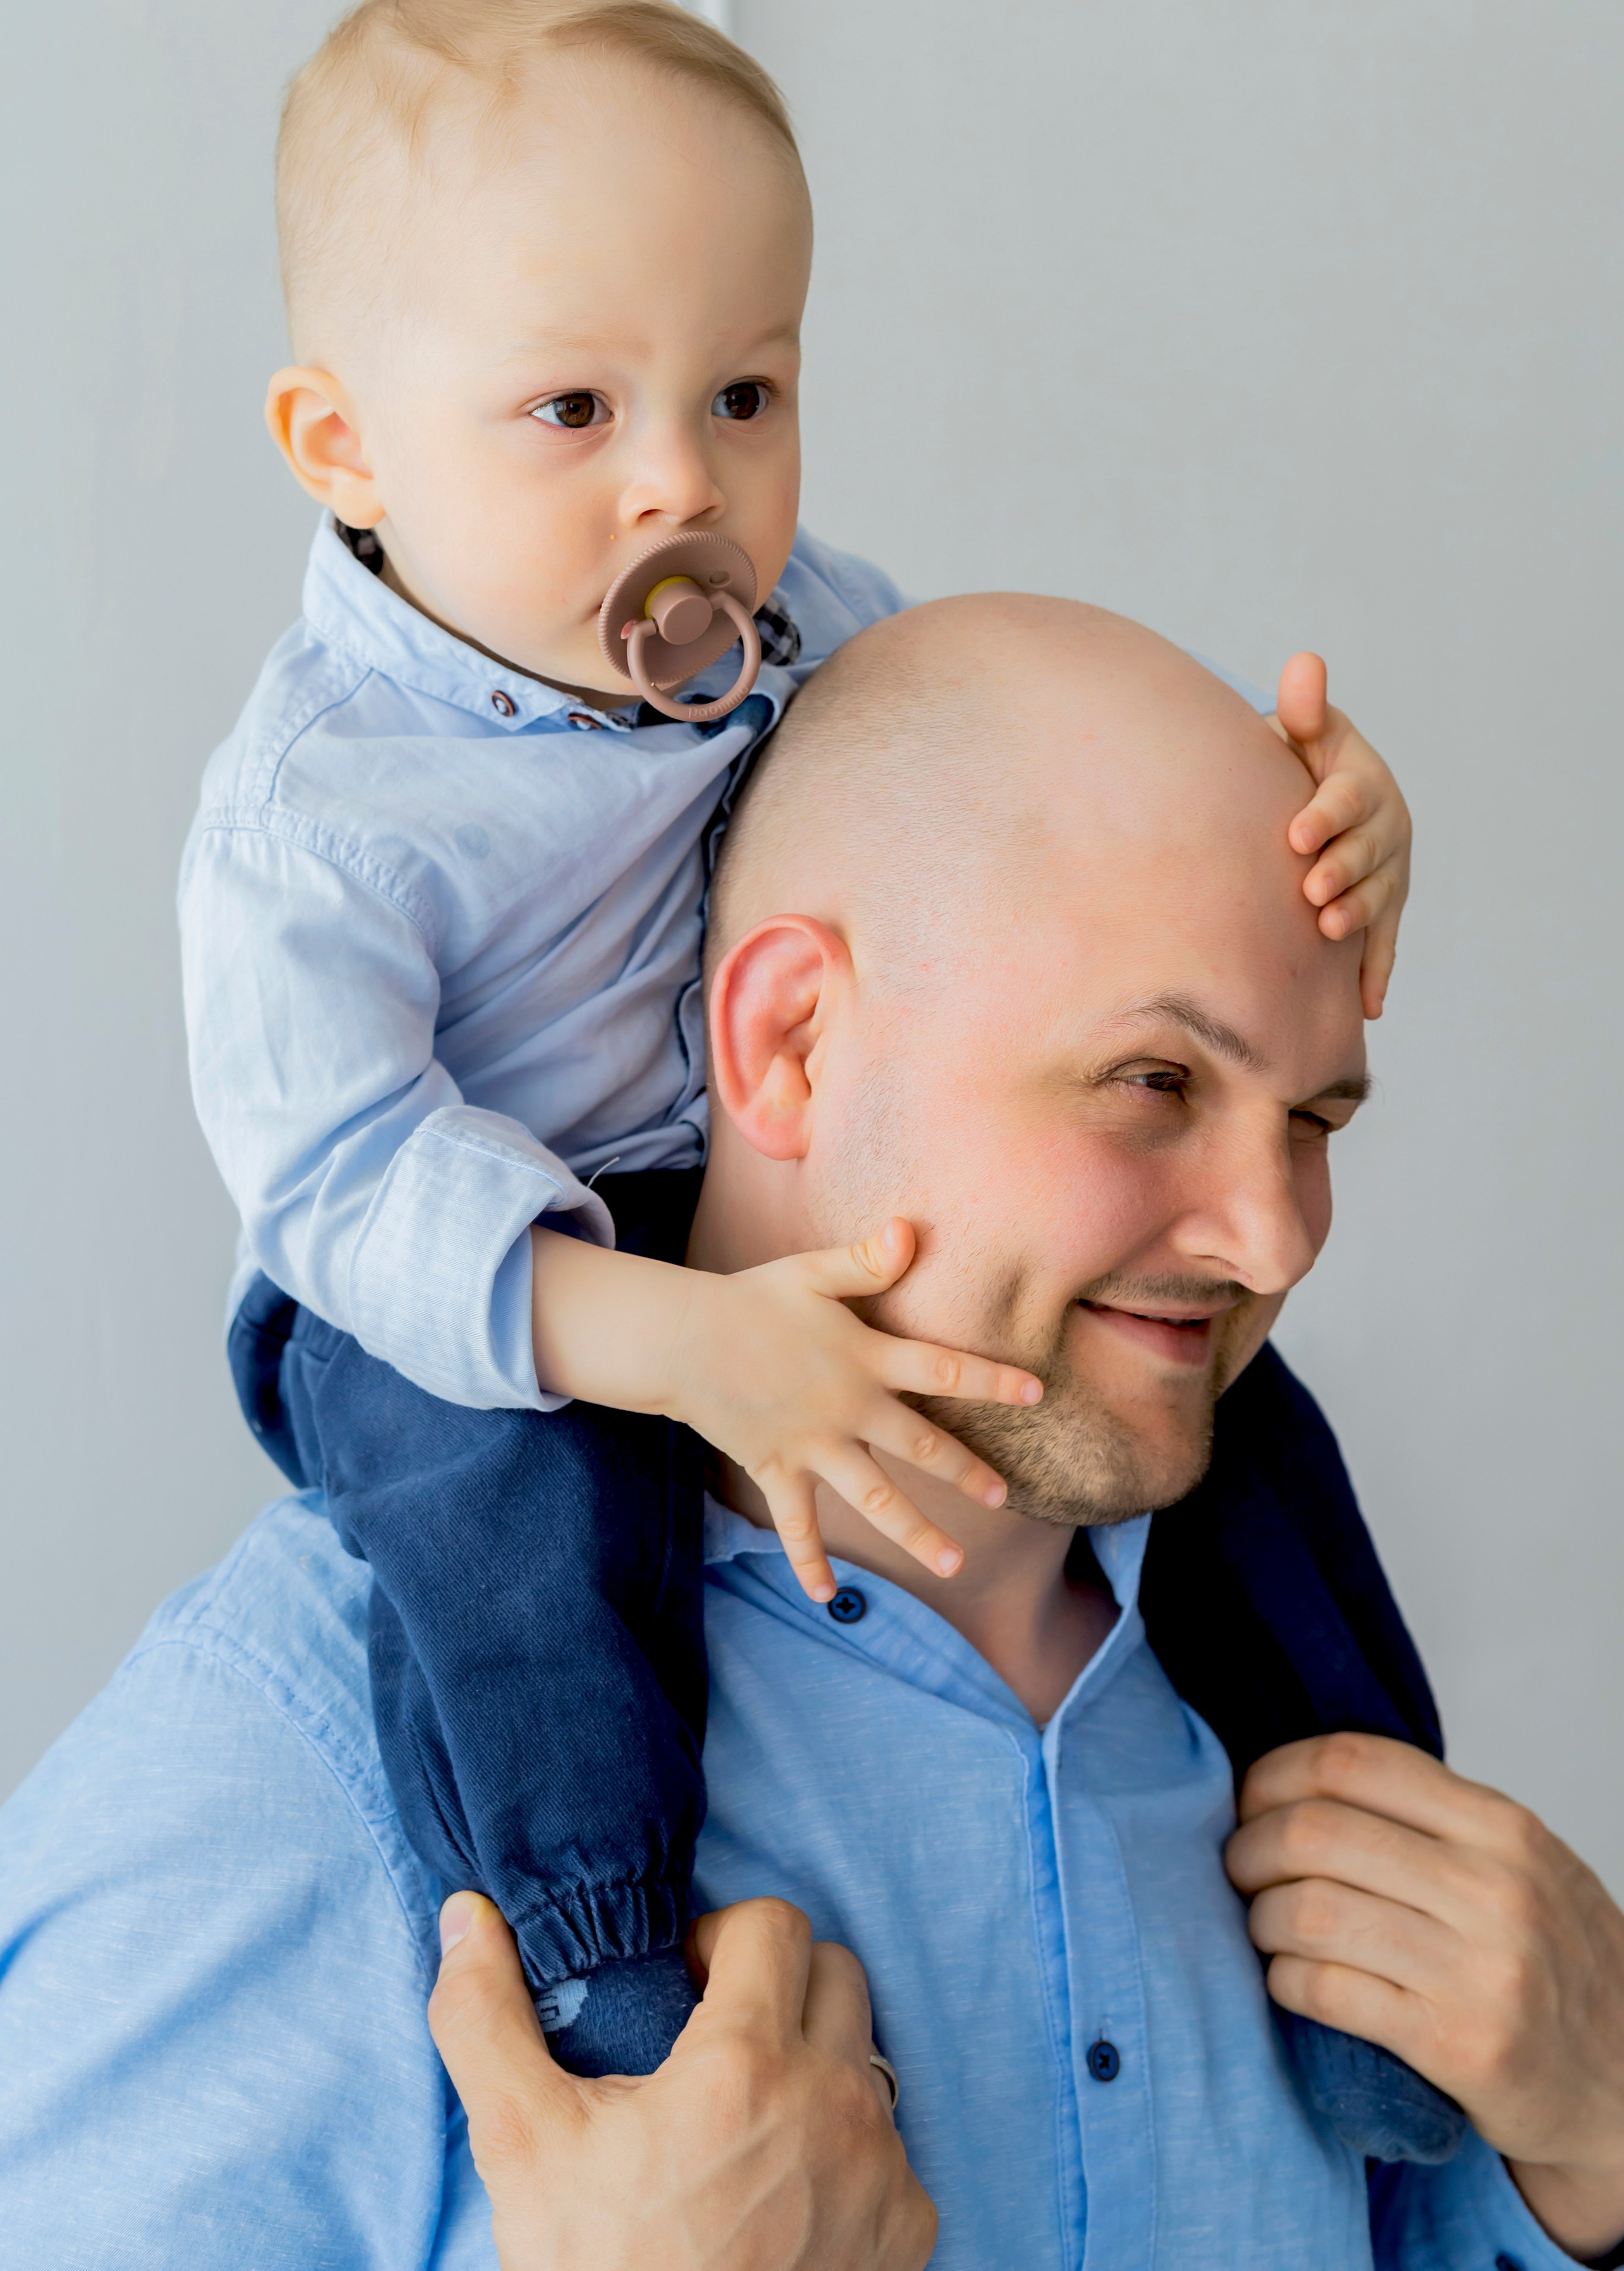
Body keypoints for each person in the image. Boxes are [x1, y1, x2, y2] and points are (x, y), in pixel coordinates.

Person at [5, 597, 1622, 2268]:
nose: (1276, 1239)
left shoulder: (1281, 1686)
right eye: (1156, 1084)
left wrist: (1597, 2143)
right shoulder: (302, 1752)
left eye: (1313, 1119)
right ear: (789, 1041)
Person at [183, 0, 1413, 2079]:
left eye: (743, 396)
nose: (684, 485)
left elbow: (986, 796)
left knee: (1260, 1448)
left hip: (695, 1208)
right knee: (525, 1540)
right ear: (344, 447)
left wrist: (1325, 818)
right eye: (577, 409)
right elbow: (337, 1181)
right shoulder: (329, 819)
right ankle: (603, 1966)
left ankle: (1388, 1905)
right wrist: (656, 1338)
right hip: (447, 1289)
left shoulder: (778, 620)